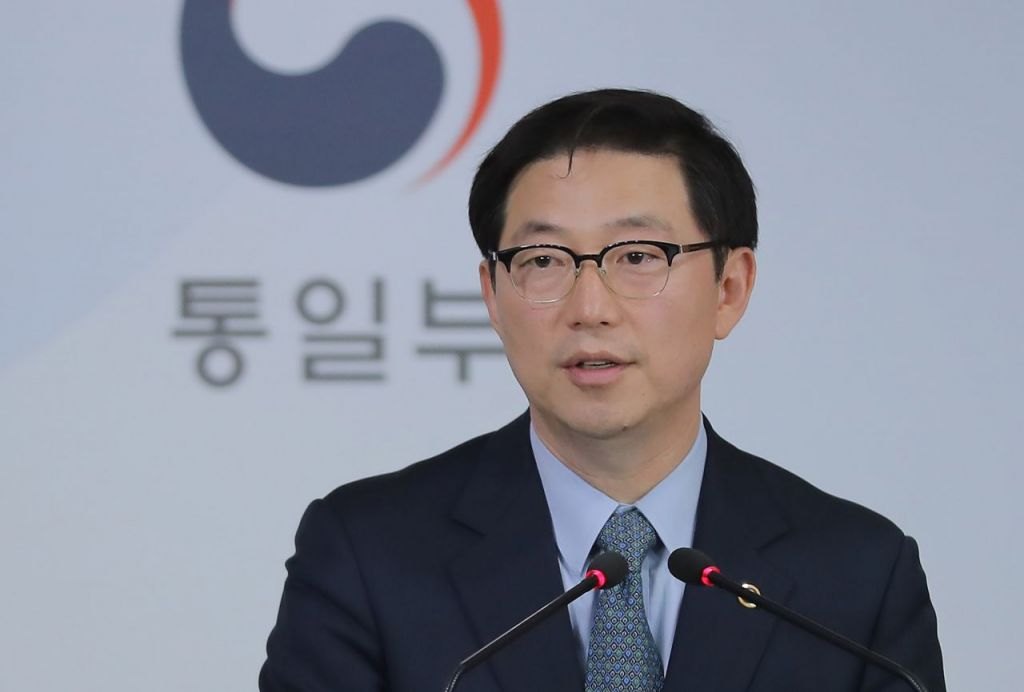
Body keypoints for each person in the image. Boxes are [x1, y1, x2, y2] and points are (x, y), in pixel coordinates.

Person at [259, 89, 945, 692]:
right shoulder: (367, 555)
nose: (590, 307)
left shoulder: (857, 576)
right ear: (493, 295)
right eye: (543, 260)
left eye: (639, 256)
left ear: (729, 288)